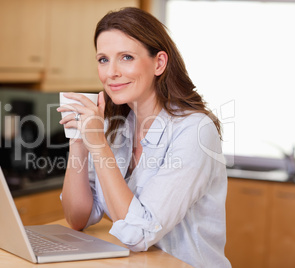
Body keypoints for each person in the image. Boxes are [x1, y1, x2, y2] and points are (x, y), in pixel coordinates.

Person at [57, 7, 231, 268]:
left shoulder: (195, 131)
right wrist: (79, 140)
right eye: (103, 59)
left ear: (159, 63)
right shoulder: (115, 128)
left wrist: (98, 145)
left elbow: (138, 235)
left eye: (126, 57)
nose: (111, 72)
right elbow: (78, 216)